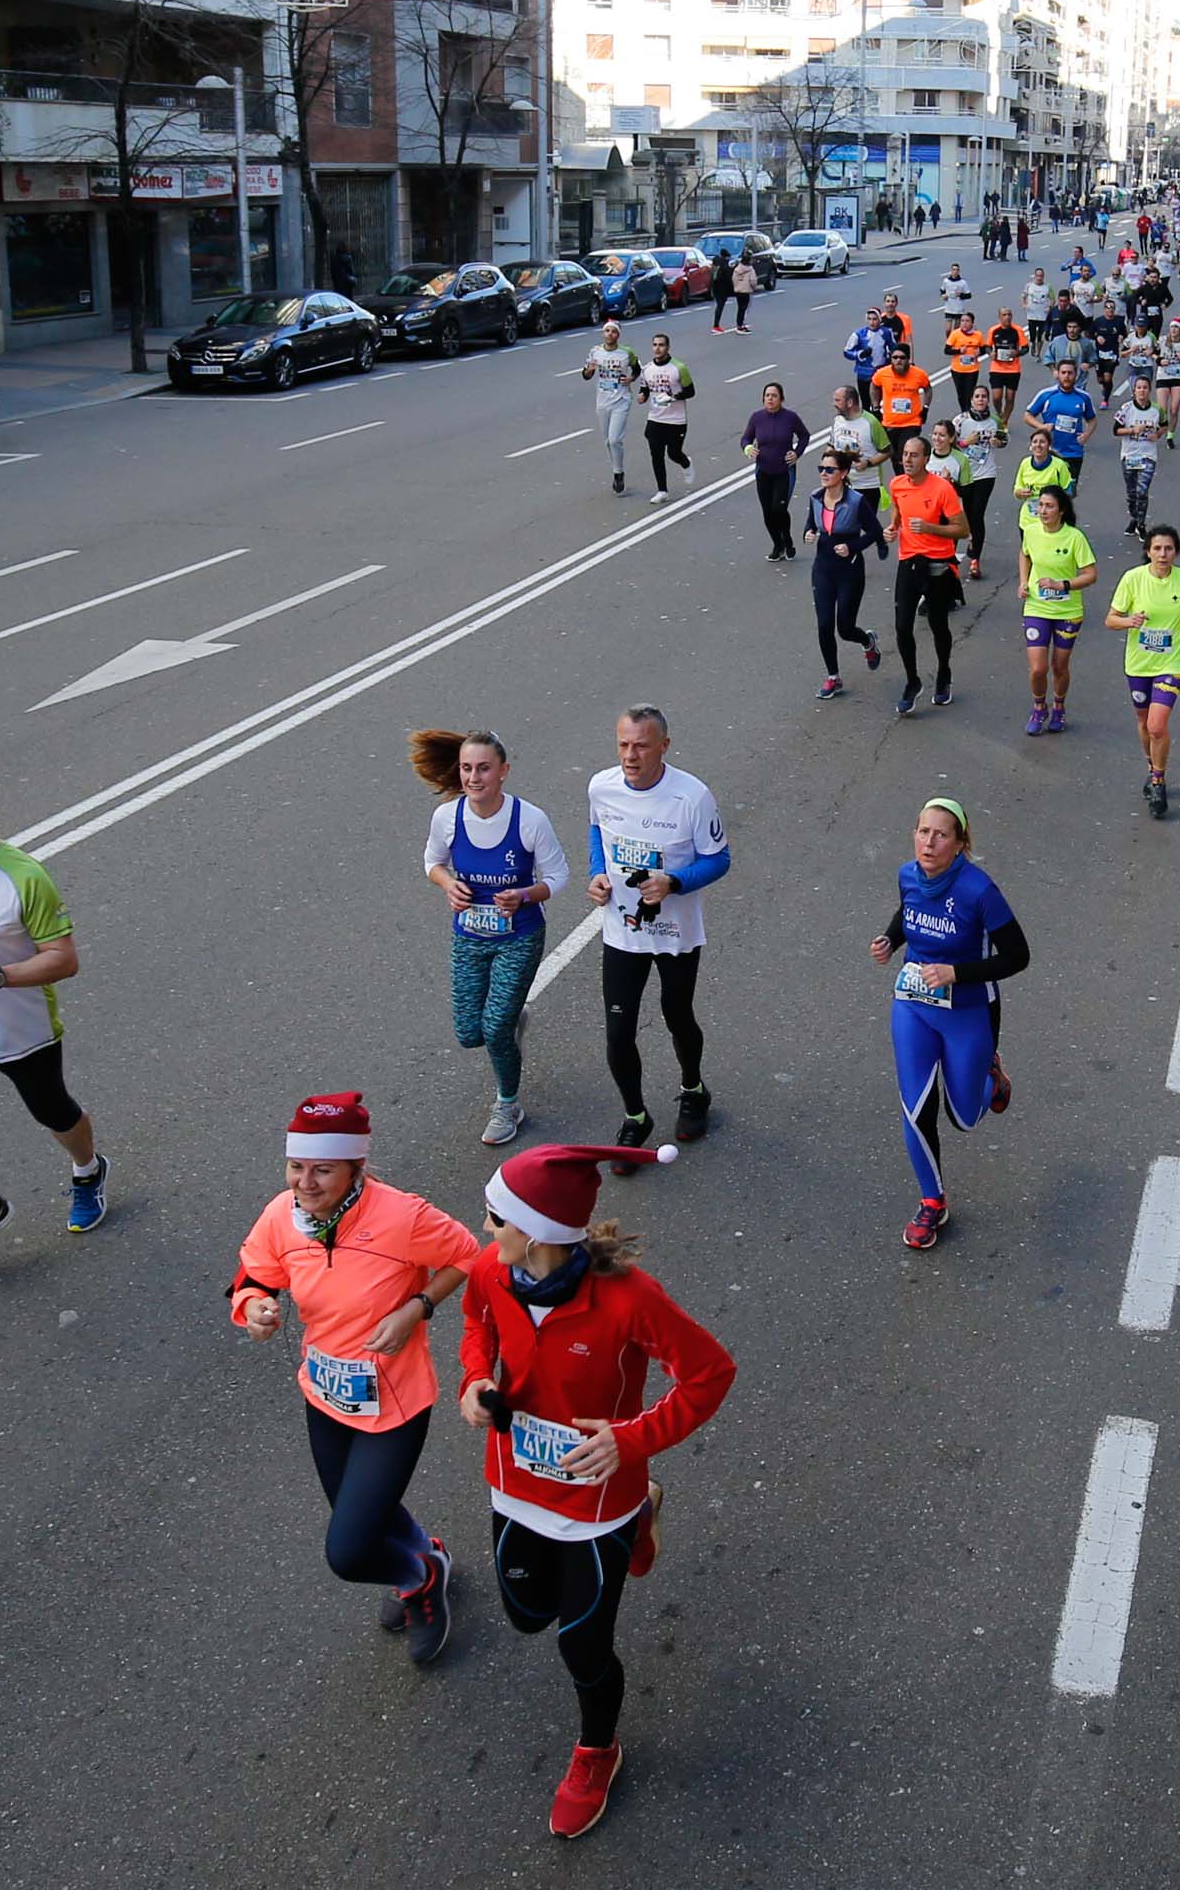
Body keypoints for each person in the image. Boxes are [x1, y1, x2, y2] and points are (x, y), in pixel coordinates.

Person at [459, 1139, 735, 1839]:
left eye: (497, 1217)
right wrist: (474, 1382)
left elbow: (709, 1374)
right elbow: (475, 1325)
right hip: (516, 1484)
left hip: (596, 1504)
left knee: (581, 1648)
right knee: (525, 1614)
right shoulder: (493, 1271)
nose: (486, 1229)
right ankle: (648, 1513)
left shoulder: (628, 1301)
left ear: (538, 1231)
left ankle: (595, 1751)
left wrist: (630, 1441)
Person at [230, 1092, 479, 1666]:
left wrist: (417, 1307)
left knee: (347, 1551)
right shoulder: (280, 1216)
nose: (306, 1183)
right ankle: (426, 1559)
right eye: (296, 1167)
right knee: (362, 1513)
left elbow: (467, 1254)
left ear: (356, 1168)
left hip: (394, 1402)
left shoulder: (402, 1216)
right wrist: (255, 1309)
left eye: (322, 1169)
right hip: (325, 1395)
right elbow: (255, 1275)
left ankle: (417, 1579)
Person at [869, 799, 1028, 1252]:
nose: (929, 842)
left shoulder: (979, 891)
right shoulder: (907, 875)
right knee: (916, 1107)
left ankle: (990, 1080)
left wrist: (958, 974)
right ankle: (932, 1201)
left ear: (960, 844)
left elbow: (1019, 957)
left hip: (968, 1012)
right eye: (922, 832)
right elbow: (909, 914)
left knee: (963, 1115)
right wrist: (889, 939)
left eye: (940, 835)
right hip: (913, 1007)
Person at [415, 730, 569, 1148]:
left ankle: (508, 1105)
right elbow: (432, 861)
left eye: (483, 768)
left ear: (503, 772)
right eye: (467, 768)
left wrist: (523, 895)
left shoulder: (529, 820)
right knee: (470, 1032)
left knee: (495, 1028)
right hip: (469, 936)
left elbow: (558, 878)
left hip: (519, 935)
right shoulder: (448, 818)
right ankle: (511, 1020)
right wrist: (447, 883)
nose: (474, 777)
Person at [588, 708, 729, 1160]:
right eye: (624, 744)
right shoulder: (601, 786)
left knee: (676, 1013)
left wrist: (675, 883)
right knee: (618, 1030)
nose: (631, 755)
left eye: (642, 745)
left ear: (663, 746)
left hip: (675, 931)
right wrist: (597, 873)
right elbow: (597, 830)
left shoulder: (692, 797)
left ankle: (693, 1089)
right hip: (622, 932)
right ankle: (635, 1117)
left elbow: (719, 859)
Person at [0, 782, 109, 1237]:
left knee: (52, 1111)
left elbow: (63, 958)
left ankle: (88, 1169)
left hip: (21, 1025)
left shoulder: (23, 878)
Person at [1104, 524, 1180, 818]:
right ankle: (1152, 766)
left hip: (1171, 664)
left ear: (1176, 552)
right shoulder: (1133, 579)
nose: (1162, 554)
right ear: (1148, 551)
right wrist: (1130, 622)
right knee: (1143, 723)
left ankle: (1158, 780)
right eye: (1157, 548)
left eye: (1168, 549)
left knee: (1156, 725)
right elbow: (1110, 620)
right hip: (1139, 664)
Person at [883, 433, 970, 714]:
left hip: (938, 565)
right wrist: (893, 529)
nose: (907, 460)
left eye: (914, 455)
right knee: (901, 626)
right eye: (905, 454)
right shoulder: (897, 485)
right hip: (909, 561)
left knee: (937, 624)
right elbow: (897, 514)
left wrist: (931, 528)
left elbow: (963, 530)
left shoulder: (942, 489)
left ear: (926, 458)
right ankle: (912, 681)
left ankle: (944, 673)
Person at [804, 447, 887, 699]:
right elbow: (811, 524)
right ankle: (833, 677)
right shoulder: (816, 497)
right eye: (821, 469)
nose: (824, 473)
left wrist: (851, 546)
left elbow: (875, 531)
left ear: (843, 473)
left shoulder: (856, 502)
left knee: (845, 628)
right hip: (823, 569)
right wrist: (808, 533)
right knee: (824, 625)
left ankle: (867, 641)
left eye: (830, 470)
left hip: (849, 570)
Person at [1017, 485, 1097, 735]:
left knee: (1059, 666)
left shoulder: (1075, 538)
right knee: (1038, 668)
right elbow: (1024, 553)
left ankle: (1059, 706)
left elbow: (1091, 575)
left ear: (1061, 511)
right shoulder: (1030, 532)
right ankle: (1039, 707)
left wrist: (1061, 584)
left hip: (1067, 611)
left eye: (1049, 506)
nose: (1042, 510)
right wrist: (1023, 581)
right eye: (1040, 505)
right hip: (1037, 608)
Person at [740, 381, 810, 560]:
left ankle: (787, 540)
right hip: (763, 470)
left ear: (781, 399)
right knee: (768, 512)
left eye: (774, 396)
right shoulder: (757, 417)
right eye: (767, 395)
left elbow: (804, 436)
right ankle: (777, 545)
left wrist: (796, 453)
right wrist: (748, 449)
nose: (770, 399)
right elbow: (746, 438)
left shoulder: (790, 417)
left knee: (779, 509)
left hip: (784, 471)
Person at [952, 383, 1005, 581]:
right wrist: (966, 443)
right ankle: (966, 543)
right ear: (972, 400)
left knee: (977, 514)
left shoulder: (995, 421)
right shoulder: (960, 420)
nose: (981, 399)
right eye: (978, 396)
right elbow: (946, 444)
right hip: (965, 474)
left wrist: (998, 443)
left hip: (986, 473)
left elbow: (1004, 439)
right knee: (965, 513)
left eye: (984, 396)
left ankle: (975, 559)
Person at [582, 321, 641, 496]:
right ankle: (616, 469)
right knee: (608, 440)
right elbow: (586, 375)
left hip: (621, 399)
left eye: (613, 332)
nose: (610, 334)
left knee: (615, 439)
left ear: (618, 335)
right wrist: (589, 370)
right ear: (603, 334)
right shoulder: (595, 352)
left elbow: (637, 369)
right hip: (602, 401)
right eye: (607, 331)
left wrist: (630, 379)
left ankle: (618, 473)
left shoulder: (626, 352)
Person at [638, 332, 695, 504]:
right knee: (656, 455)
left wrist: (673, 397)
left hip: (676, 420)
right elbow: (645, 389)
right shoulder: (647, 369)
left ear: (668, 347)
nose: (658, 348)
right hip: (655, 418)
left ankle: (686, 463)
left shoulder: (679, 368)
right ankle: (662, 490)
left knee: (673, 453)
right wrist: (642, 396)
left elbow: (691, 391)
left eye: (661, 345)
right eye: (655, 345)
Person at [1023, 358, 1097, 490]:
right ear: (1058, 374)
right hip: (1049, 452)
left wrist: (1086, 435)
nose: (1066, 376)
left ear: (1076, 375)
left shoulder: (1083, 397)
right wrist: (1042, 427)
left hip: (1073, 453)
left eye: (1070, 373)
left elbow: (1092, 419)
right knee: (1047, 492)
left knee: (1067, 495)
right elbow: (1028, 415)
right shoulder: (1046, 394)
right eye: (1063, 373)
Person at [829, 382, 893, 526]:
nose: (834, 404)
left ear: (850, 402)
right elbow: (831, 445)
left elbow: (887, 451)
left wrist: (868, 463)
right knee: (846, 527)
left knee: (867, 526)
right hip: (842, 483)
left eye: (838, 400)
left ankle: (880, 543)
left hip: (867, 485)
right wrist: (826, 461)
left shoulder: (870, 423)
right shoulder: (837, 421)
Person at [1113, 375, 1166, 540]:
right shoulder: (1126, 408)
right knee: (1132, 493)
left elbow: (1165, 425)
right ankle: (1134, 519)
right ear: (1134, 391)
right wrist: (1132, 430)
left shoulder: (1157, 409)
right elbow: (1116, 430)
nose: (1142, 391)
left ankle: (1142, 525)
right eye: (1139, 388)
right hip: (1129, 455)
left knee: (1142, 491)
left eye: (1145, 388)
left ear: (1149, 390)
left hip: (1148, 455)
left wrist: (1157, 434)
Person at [1012, 428, 1073, 537]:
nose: (1038, 445)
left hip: (1051, 522)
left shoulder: (1059, 466)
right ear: (1031, 445)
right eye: (1035, 442)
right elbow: (1016, 491)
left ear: (1049, 445)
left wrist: (1054, 503)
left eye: (1042, 442)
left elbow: (1068, 492)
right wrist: (1020, 493)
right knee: (1028, 553)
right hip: (1028, 521)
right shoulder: (1025, 463)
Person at [843, 307, 896, 413]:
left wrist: (892, 359)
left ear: (879, 319)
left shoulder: (886, 333)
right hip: (864, 374)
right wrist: (859, 354)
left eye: (875, 319)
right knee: (866, 403)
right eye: (869, 319)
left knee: (880, 403)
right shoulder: (858, 334)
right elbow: (847, 352)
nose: (872, 322)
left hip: (881, 372)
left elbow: (894, 348)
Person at [987, 307, 1027, 425]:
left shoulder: (1017, 330)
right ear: (999, 317)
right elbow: (987, 346)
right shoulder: (993, 330)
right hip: (997, 368)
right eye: (1004, 315)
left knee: (1010, 398)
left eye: (1009, 314)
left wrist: (1017, 353)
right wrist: (991, 353)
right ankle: (999, 413)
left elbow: (1025, 348)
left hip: (1013, 369)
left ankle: (1005, 420)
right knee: (996, 397)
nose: (1007, 317)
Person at [1154, 321, 1180, 449]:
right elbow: (1153, 353)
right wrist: (1159, 360)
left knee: (1174, 410)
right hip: (1163, 376)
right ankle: (1162, 427)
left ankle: (1170, 436)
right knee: (1162, 411)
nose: (1173, 330)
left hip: (1178, 377)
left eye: (1176, 327)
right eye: (1172, 327)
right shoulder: (1162, 340)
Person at [944, 310, 985, 413]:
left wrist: (979, 352)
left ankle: (969, 411)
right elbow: (946, 350)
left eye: (967, 321)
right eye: (962, 321)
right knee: (961, 393)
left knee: (970, 393)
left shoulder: (978, 335)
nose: (964, 323)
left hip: (972, 370)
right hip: (957, 369)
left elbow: (984, 349)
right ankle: (964, 411)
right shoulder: (955, 334)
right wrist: (958, 351)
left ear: (972, 323)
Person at [1094, 298, 1124, 409]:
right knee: (1100, 379)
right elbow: (1089, 333)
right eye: (1108, 307)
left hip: (1112, 353)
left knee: (1108, 377)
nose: (1110, 310)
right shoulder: (1098, 321)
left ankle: (1105, 400)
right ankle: (1104, 387)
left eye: (1112, 308)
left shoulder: (1119, 322)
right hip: (1100, 354)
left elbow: (1124, 334)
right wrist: (1097, 337)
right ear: (1104, 309)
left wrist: (1121, 337)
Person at [1023, 267, 1052, 358]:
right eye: (1037, 276)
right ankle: (1032, 344)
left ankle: (1038, 353)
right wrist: (1024, 304)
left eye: (1041, 276)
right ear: (1034, 276)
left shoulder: (1048, 287)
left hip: (1043, 315)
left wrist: (1049, 307)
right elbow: (1024, 296)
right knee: (1032, 335)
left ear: (1043, 277)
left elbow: (1053, 299)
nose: (1039, 278)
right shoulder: (1029, 286)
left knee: (1040, 336)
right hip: (1032, 314)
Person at [940, 262, 971, 335]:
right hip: (949, 308)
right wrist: (943, 296)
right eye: (953, 269)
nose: (955, 271)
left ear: (959, 271)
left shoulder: (963, 283)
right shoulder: (946, 281)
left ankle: (953, 344)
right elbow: (942, 290)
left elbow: (969, 295)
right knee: (948, 329)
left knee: (956, 330)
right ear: (951, 271)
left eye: (957, 270)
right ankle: (949, 342)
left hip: (958, 309)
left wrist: (961, 295)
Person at [731, 253, 758, 332]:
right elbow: (753, 281)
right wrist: (754, 287)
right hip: (746, 291)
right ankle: (741, 325)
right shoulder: (750, 269)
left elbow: (733, 279)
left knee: (740, 308)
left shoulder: (737, 269)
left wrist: (736, 286)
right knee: (745, 308)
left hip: (738, 291)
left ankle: (739, 324)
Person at [710, 249, 734, 333]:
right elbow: (728, 279)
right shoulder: (724, 265)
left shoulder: (715, 263)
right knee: (720, 306)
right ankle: (716, 325)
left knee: (719, 305)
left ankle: (716, 325)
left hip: (715, 287)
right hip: (722, 289)